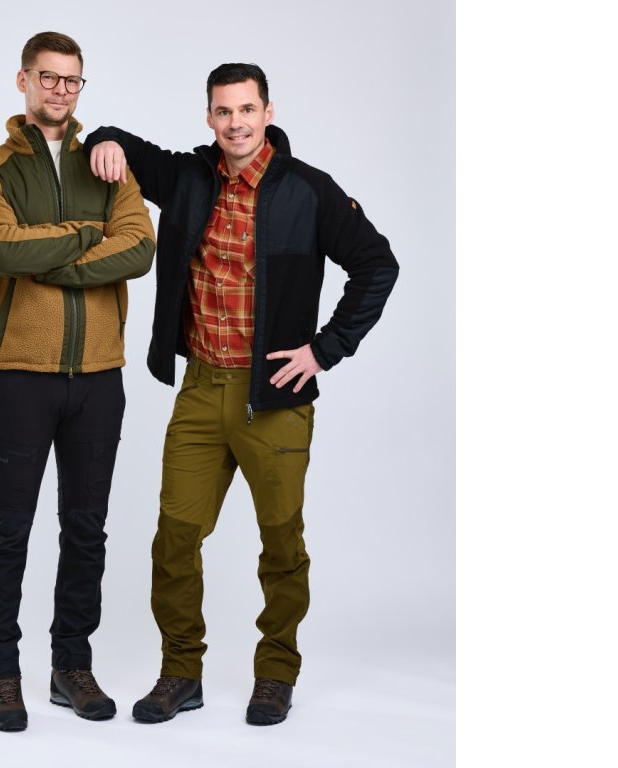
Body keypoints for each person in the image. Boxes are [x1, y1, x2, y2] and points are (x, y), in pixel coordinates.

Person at [85, 62, 398, 726]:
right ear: (209, 117)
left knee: (281, 545)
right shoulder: (189, 178)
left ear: (268, 112)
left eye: (247, 109)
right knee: (175, 539)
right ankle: (181, 673)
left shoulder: (308, 190)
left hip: (275, 399)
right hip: (201, 390)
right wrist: (103, 138)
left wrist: (325, 348)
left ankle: (275, 674)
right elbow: (122, 144)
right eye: (224, 111)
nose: (236, 123)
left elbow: (377, 264)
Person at [0, 31, 155, 732]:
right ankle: (0, 674)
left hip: (99, 376)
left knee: (87, 529)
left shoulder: (109, 164)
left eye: (72, 80)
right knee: (8, 530)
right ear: (23, 80)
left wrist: (53, 249)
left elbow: (140, 247)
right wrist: (87, 234)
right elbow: (2, 248)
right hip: (19, 375)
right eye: (48, 78)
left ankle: (71, 666)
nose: (60, 91)